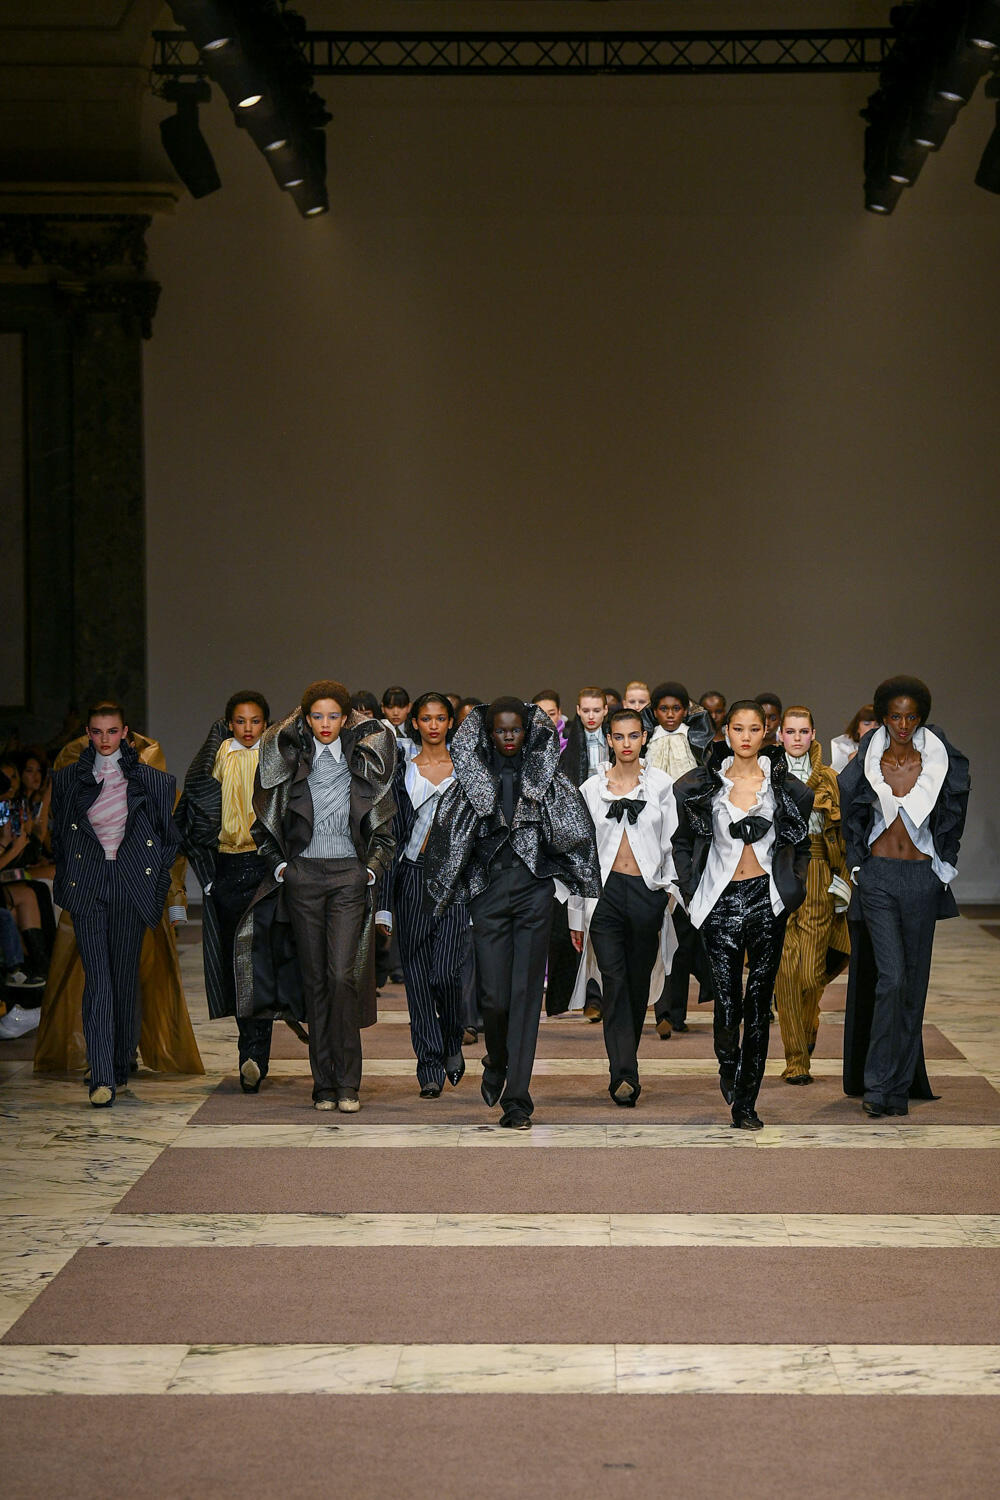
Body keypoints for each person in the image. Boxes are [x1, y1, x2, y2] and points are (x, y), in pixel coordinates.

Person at [424, 697, 600, 1129]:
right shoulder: (470, 782)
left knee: (525, 996)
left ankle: (517, 1099)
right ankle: (497, 1058)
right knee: (494, 998)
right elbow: (448, 842)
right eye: (500, 730)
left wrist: (568, 884)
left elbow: (576, 831)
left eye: (515, 729)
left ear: (527, 731)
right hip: (488, 896)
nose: (508, 737)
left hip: (533, 894)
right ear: (488, 733)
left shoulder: (547, 780)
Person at [238, 680, 396, 1113]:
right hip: (303, 877)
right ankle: (324, 1084)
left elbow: (384, 827)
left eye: (334, 715)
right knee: (315, 981)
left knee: (342, 976)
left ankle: (348, 1081)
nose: (326, 723)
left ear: (346, 718)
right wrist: (282, 868)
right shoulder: (289, 762)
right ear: (305, 719)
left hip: (348, 877)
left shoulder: (364, 761)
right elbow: (263, 824)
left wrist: (370, 870)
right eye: (317, 715)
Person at [672, 700, 812, 1129]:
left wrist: (792, 889)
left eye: (754, 728)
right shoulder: (704, 786)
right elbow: (682, 842)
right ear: (726, 732)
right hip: (720, 901)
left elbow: (801, 845)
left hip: (766, 901)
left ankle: (747, 1102)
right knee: (728, 1002)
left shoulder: (783, 787)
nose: (746, 736)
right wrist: (691, 889)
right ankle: (727, 1062)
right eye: (738, 728)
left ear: (766, 731)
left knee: (759, 1003)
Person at [34, 725, 201, 1080]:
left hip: (137, 896)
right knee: (97, 978)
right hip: (92, 893)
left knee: (127, 979)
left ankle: (120, 1056)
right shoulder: (80, 773)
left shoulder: (153, 781)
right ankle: (104, 1058)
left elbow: (173, 853)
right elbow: (59, 837)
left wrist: (175, 905)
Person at [839, 676, 969, 1118]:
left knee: (912, 987)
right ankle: (877, 1085)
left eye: (912, 717)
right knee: (891, 978)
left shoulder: (939, 762)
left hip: (920, 879)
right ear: (883, 716)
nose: (903, 724)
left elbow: (954, 815)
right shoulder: (866, 761)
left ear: (921, 718)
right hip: (878, 878)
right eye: (895, 716)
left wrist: (943, 869)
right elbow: (850, 813)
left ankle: (895, 1089)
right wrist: (857, 866)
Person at [176, 691, 288, 1093]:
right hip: (226, 869)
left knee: (260, 964)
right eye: (240, 721)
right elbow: (191, 817)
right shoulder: (215, 759)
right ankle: (249, 1054)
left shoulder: (276, 758)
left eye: (255, 721)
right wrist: (208, 877)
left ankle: (254, 1055)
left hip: (265, 868)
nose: (248, 728)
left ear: (266, 724)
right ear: (228, 724)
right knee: (235, 965)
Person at [569, 708, 677, 1105]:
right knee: (614, 981)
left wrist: (667, 893)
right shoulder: (590, 789)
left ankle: (625, 1062)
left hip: (647, 892)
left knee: (637, 982)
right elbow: (578, 853)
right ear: (609, 740)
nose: (626, 743)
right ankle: (624, 1074)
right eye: (619, 736)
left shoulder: (662, 785)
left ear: (644, 737)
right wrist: (575, 913)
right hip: (605, 895)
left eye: (633, 735)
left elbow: (673, 843)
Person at [380, 693, 467, 1097]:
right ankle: (428, 1065)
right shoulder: (402, 771)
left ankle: (452, 1039)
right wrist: (383, 901)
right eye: (426, 718)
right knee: (416, 976)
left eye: (440, 718)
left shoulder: (467, 770)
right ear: (415, 722)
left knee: (446, 973)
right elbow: (391, 833)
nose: (433, 725)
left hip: (454, 880)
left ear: (450, 722)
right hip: (411, 876)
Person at [773, 706, 851, 1084]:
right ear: (780, 735)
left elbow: (842, 835)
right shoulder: (767, 774)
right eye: (790, 732)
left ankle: (809, 1024)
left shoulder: (830, 779)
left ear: (814, 734)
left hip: (818, 872)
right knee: (785, 973)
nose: (797, 738)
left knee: (809, 974)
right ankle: (796, 1060)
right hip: (778, 872)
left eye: (803, 731)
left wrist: (843, 881)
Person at [645, 682, 717, 1039]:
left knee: (687, 928)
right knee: (660, 927)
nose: (670, 715)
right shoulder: (646, 741)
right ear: (654, 711)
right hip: (652, 839)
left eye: (676, 708)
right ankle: (663, 1009)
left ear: (686, 710)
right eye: (664, 708)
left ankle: (676, 1010)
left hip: (690, 840)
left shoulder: (698, 740)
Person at [831, 704, 879, 774]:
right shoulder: (843, 747)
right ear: (857, 727)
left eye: (877, 724)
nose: (872, 728)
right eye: (866, 724)